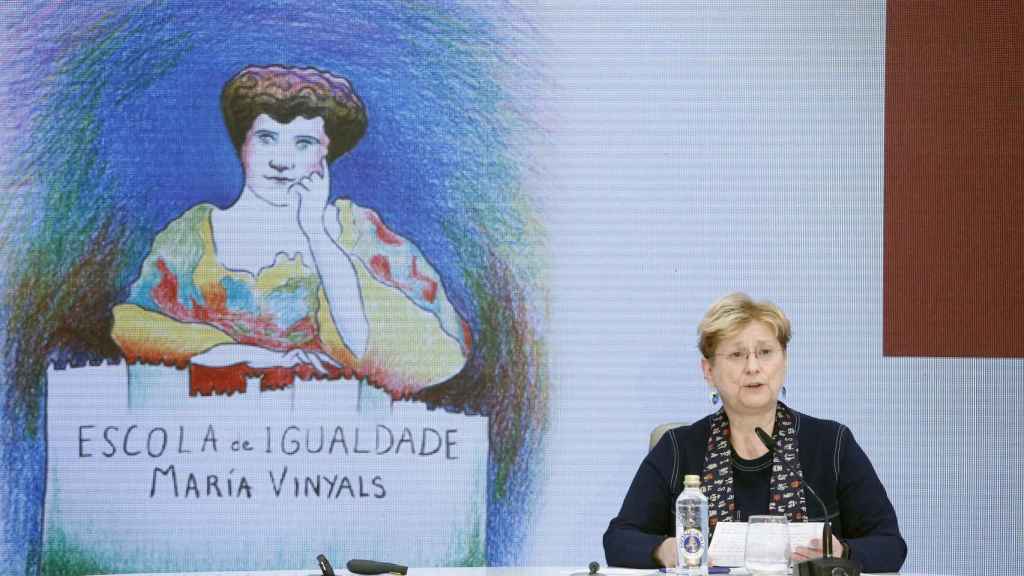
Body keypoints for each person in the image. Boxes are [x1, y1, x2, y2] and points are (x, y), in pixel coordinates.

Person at [112, 65, 471, 399]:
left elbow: (402, 355)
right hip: (212, 423)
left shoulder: (356, 232)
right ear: (244, 146)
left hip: (334, 431)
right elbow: (135, 327)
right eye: (267, 138)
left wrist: (317, 234)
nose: (281, 159)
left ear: (327, 155)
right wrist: (236, 353)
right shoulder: (193, 235)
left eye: (304, 143)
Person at [603, 293, 906, 573]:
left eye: (765, 352)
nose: (753, 367)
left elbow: (890, 545)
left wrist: (843, 551)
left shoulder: (831, 444)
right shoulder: (678, 449)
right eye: (736, 355)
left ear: (784, 362)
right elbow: (619, 540)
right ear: (708, 371)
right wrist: (665, 550)